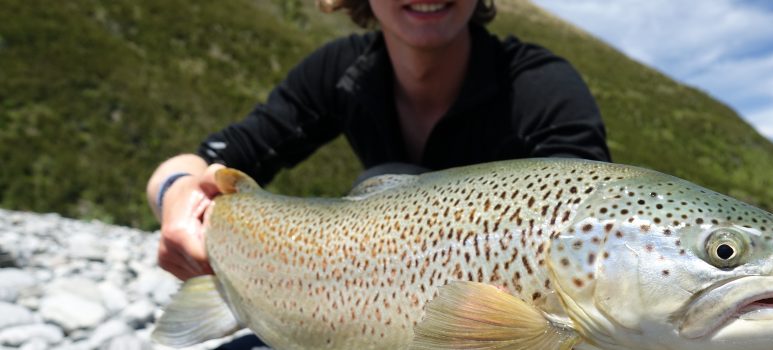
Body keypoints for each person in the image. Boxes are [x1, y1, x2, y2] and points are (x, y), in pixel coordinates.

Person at [145, 0, 610, 282]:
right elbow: (204, 164)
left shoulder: (542, 86)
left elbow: (592, 232)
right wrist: (176, 197)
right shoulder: (338, 72)